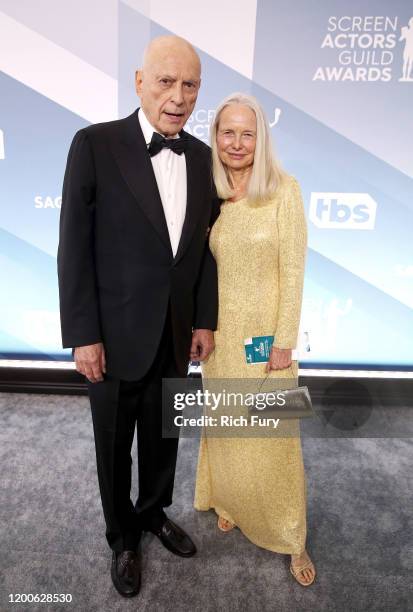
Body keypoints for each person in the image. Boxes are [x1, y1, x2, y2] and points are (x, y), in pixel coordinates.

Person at [57, 35, 219, 598]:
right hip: (113, 335)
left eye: (190, 85)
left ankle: (153, 513)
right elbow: (74, 248)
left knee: (162, 438)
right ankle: (122, 536)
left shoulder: (202, 158)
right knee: (112, 444)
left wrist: (204, 321)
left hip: (175, 334)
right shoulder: (95, 144)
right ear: (139, 82)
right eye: (166, 81)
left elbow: (203, 254)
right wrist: (83, 335)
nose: (178, 97)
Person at [193, 93, 316, 586]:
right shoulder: (211, 197)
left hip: (268, 343)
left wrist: (284, 340)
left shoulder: (284, 190)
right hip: (222, 344)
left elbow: (294, 271)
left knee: (276, 441)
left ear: (261, 137)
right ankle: (231, 502)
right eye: (228, 132)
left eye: (248, 133)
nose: (237, 143)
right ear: (216, 137)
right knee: (227, 434)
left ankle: (292, 537)